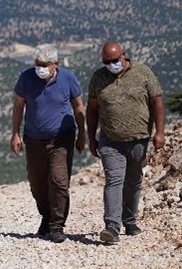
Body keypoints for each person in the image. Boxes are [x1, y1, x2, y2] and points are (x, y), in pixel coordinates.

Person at [87, 41, 165, 244]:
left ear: (124, 56)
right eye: (107, 61)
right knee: (114, 181)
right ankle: (112, 226)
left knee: (133, 181)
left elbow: (157, 101)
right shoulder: (99, 78)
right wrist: (91, 138)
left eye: (115, 60)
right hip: (110, 141)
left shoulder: (143, 73)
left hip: (138, 139)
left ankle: (130, 221)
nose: (112, 64)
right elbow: (92, 108)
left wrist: (160, 132)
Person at [10, 44, 85, 244]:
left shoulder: (68, 78)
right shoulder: (26, 78)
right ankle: (46, 215)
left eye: (44, 65)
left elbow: (78, 106)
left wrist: (82, 134)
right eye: (37, 64)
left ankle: (57, 225)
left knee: (59, 181)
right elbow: (18, 106)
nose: (40, 68)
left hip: (61, 138)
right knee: (37, 184)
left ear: (55, 65)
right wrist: (15, 134)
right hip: (34, 140)